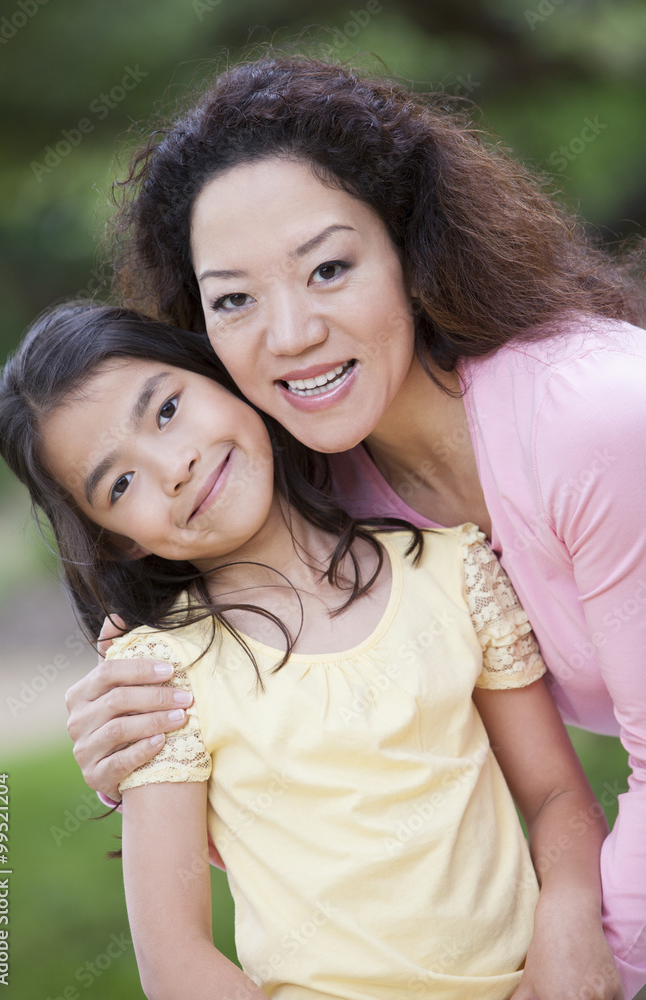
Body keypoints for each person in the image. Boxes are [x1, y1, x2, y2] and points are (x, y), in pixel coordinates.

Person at [63, 56, 646, 996]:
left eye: (328, 267)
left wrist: (575, 950)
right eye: (234, 300)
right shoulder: (329, 491)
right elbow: (351, 794)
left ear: (409, 250)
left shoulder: (601, 421)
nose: (289, 334)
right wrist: (141, 748)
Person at [0, 301, 622, 999]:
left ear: (223, 377)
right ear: (117, 539)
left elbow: (558, 792)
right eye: (120, 483)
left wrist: (566, 915)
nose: (172, 467)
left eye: (167, 410)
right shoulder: (160, 678)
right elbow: (174, 961)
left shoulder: (450, 571)